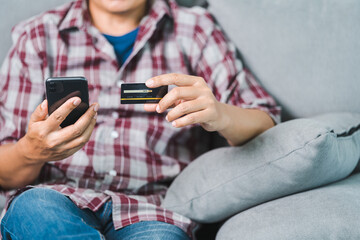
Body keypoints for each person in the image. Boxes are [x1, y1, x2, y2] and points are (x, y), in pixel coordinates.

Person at [0, 0, 280, 239]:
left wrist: (220, 114)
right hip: (55, 199)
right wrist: (31, 151)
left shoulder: (195, 29)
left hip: (154, 211)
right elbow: (5, 172)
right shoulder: (37, 36)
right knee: (33, 208)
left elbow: (267, 122)